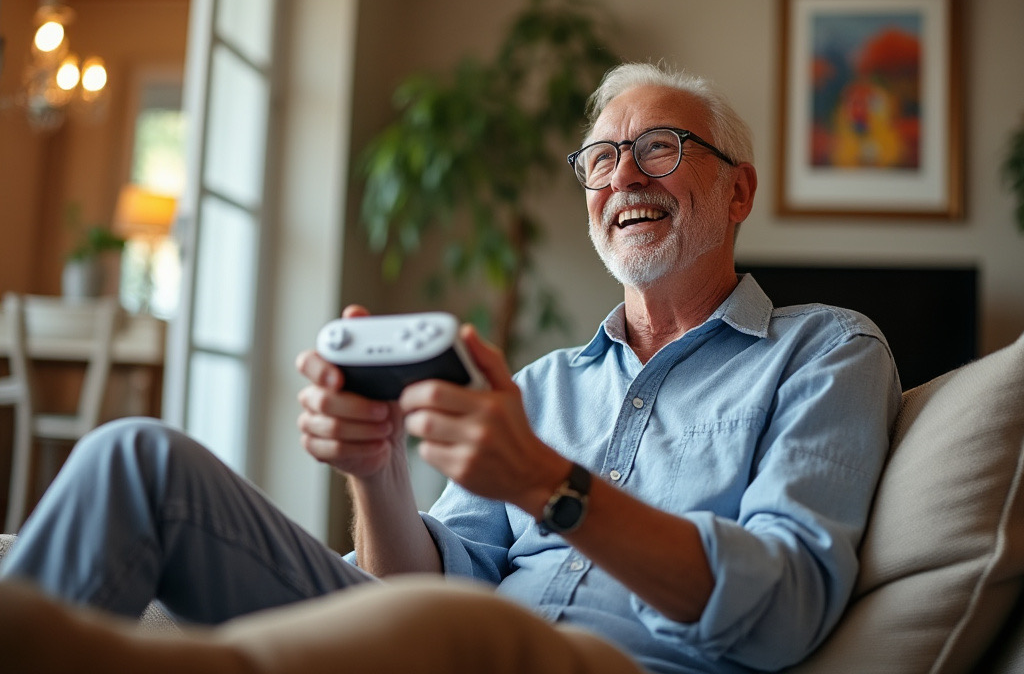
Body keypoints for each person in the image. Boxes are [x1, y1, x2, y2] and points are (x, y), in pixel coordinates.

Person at [0, 62, 900, 674]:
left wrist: (552, 485)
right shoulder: (540, 386)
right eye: (600, 157)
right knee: (138, 458)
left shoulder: (824, 351)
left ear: (738, 190)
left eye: (660, 146)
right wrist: (380, 473)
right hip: (446, 638)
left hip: (608, 663)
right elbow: (410, 591)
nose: (624, 174)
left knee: (464, 624)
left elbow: (785, 606)